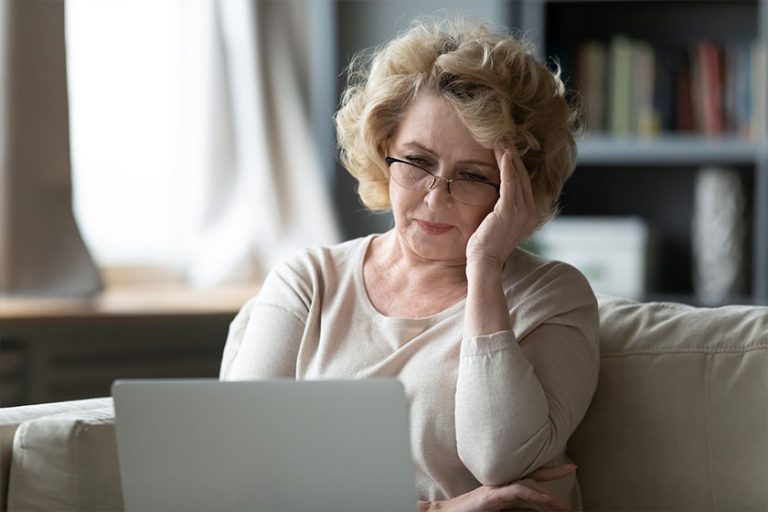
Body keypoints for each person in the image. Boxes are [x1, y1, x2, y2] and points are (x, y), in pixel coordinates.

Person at [220, 16, 599, 512]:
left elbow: (499, 458)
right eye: (418, 162)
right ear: (384, 152)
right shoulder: (308, 281)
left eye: (471, 176)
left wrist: (485, 266)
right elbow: (243, 469)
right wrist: (436, 509)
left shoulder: (553, 295)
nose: (435, 198)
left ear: (517, 188)